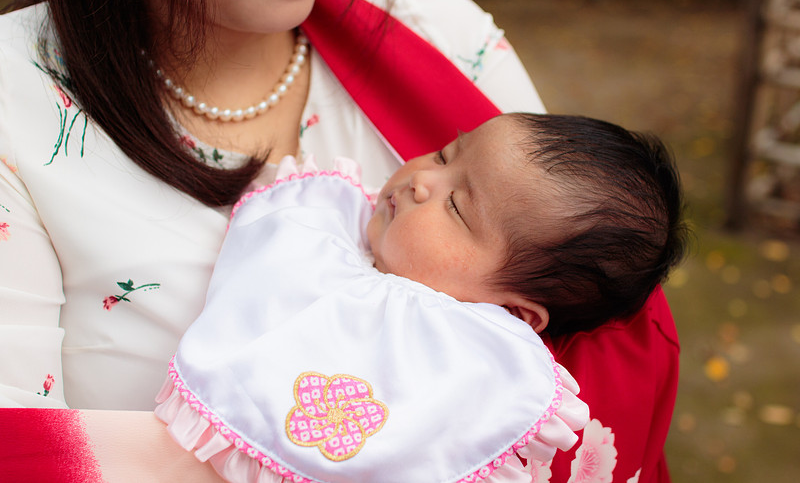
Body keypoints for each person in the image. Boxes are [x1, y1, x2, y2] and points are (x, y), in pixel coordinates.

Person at [0, 0, 682, 481]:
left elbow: (575, 266)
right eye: (441, 157)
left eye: (458, 203)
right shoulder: (17, 104)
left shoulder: (429, 21)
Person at [154, 111, 686, 483]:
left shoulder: (469, 370)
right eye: (445, 153)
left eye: (456, 208)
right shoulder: (324, 218)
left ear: (515, 311)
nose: (421, 180)